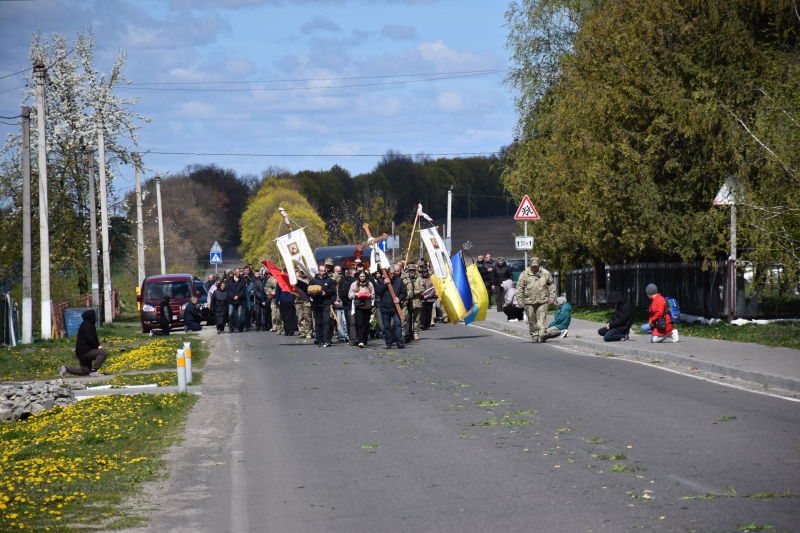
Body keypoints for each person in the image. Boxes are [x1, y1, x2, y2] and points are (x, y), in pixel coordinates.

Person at [515, 257, 556, 343]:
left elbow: (551, 285)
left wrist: (552, 297)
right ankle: (535, 335)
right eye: (533, 266)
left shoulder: (545, 273)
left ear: (538, 265)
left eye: (536, 266)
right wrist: (519, 299)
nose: (535, 268)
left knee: (542, 318)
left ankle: (543, 334)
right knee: (532, 320)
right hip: (529, 301)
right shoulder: (524, 274)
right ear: (530, 265)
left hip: (543, 300)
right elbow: (519, 288)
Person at [60, 309, 107, 377]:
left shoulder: (88, 324)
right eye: (95, 316)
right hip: (85, 351)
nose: (96, 317)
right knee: (103, 353)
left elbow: (93, 338)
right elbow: (89, 337)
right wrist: (97, 346)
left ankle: (66, 369)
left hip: (82, 351)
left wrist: (97, 345)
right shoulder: (87, 325)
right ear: (91, 316)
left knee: (85, 371)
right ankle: (94, 371)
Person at [375, 265, 408, 349]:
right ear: (387, 273)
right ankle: (388, 343)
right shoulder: (382, 281)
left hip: (395, 308)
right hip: (385, 307)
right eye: (391, 273)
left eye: (393, 273)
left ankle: (399, 342)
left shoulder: (399, 281)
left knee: (398, 324)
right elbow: (378, 292)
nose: (392, 275)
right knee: (386, 327)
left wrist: (399, 298)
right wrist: (384, 284)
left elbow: (404, 292)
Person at [309, 264, 337, 347]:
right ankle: (319, 339)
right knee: (318, 322)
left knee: (326, 322)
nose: (323, 272)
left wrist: (327, 295)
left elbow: (333, 291)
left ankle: (326, 339)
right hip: (317, 303)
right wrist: (314, 294)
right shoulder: (313, 280)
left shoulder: (329, 280)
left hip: (326, 303)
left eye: (324, 271)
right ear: (318, 271)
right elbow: (309, 292)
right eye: (321, 271)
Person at [349, 270, 375, 348]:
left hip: (367, 306)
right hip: (358, 306)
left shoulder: (370, 284)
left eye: (364, 276)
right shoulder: (354, 284)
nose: (362, 278)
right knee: (359, 324)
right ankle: (360, 341)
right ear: (358, 277)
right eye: (361, 276)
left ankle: (365, 340)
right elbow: (349, 295)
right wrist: (356, 294)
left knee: (366, 324)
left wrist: (369, 295)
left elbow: (373, 295)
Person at [405, 263, 425, 341]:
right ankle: (408, 333)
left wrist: (415, 292)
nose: (412, 271)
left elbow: (423, 289)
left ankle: (416, 333)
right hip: (408, 303)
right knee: (408, 319)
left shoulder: (419, 279)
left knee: (416, 319)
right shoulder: (406, 279)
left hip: (416, 302)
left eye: (413, 270)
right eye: (410, 270)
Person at [295, 270, 314, 339]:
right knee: (300, 317)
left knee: (308, 317)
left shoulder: (310, 279)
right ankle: (302, 332)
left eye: (303, 272)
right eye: (301, 272)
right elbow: (291, 289)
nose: (302, 273)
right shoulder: (295, 279)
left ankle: (308, 332)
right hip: (298, 300)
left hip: (307, 300)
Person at [420, 265, 437, 330]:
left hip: (430, 298)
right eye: (423, 272)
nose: (425, 274)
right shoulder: (420, 279)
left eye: (426, 272)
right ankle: (422, 324)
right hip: (422, 299)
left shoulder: (431, 279)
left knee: (429, 311)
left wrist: (429, 295)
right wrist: (422, 295)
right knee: (423, 311)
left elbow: (434, 288)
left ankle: (428, 325)